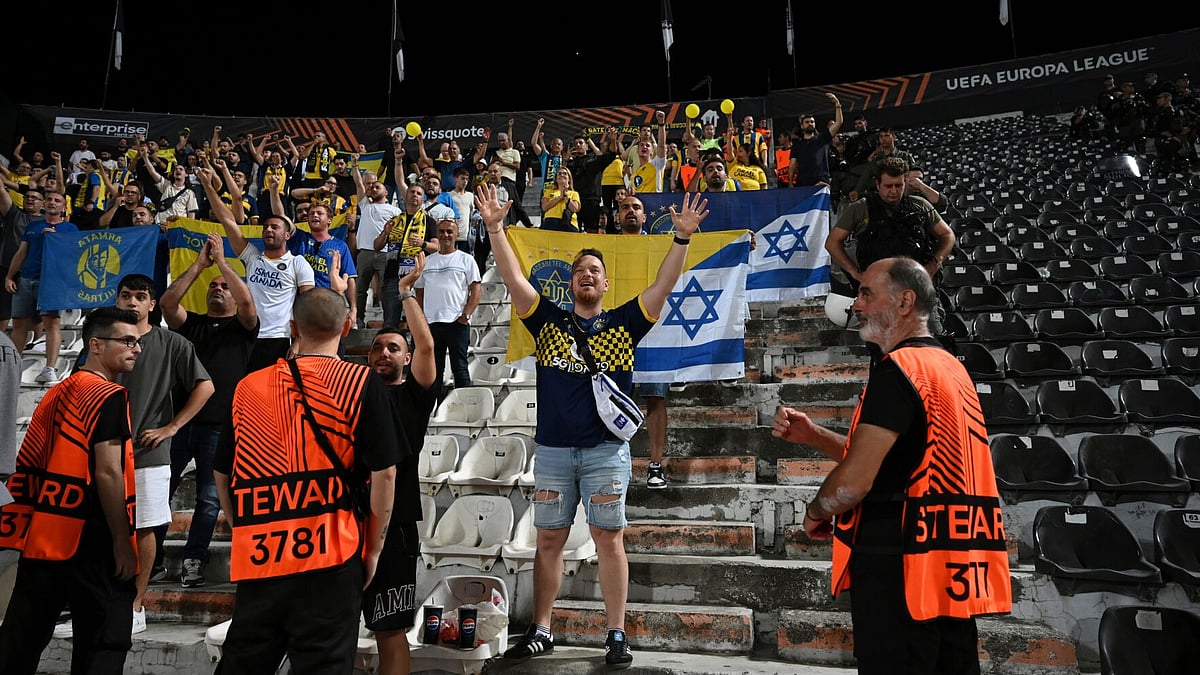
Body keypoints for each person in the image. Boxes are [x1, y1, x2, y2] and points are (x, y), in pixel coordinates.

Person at [477, 184, 709, 669]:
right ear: (571, 284)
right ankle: (541, 631)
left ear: (606, 285)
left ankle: (616, 635)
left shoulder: (624, 324)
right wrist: (495, 228)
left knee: (609, 539)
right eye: (580, 270)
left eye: (595, 271)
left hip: (606, 451)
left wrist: (682, 238)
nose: (587, 274)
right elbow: (513, 276)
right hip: (554, 451)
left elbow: (664, 286)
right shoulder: (547, 322)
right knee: (548, 541)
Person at [771, 257, 1011, 675]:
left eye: (867, 293)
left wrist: (815, 511)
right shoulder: (949, 366)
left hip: (899, 569)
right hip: (948, 569)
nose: (856, 305)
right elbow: (900, 461)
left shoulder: (897, 370)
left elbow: (854, 483)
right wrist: (814, 436)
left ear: (904, 302)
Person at [214, 287, 397, 673]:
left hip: (260, 554)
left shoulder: (248, 386)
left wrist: (241, 528)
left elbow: (222, 472)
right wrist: (373, 550)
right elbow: (385, 472)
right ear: (346, 327)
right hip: (331, 553)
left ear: (293, 327)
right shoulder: (360, 381)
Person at [0, 307, 141, 674]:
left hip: (45, 531)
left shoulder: (57, 391)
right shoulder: (108, 395)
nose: (136, 349)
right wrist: (121, 540)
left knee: (20, 639)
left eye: (137, 342)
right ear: (95, 345)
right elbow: (108, 471)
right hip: (90, 536)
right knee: (103, 642)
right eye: (127, 341)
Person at [111, 273, 213, 633]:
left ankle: (136, 606)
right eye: (126, 295)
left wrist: (172, 427)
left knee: (146, 527)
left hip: (148, 451)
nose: (132, 302)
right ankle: (101, 605)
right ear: (117, 300)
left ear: (152, 304)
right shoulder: (103, 340)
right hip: (104, 450)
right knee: (104, 529)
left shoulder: (171, 342)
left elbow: (206, 386)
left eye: (140, 297)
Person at [157, 231, 259, 588]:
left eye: (224, 286)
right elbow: (167, 304)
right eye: (213, 286)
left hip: (219, 427)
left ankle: (193, 560)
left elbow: (247, 302)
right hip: (178, 424)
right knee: (160, 493)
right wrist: (200, 266)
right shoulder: (193, 324)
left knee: (208, 499)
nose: (218, 288)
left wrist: (222, 263)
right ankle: (152, 561)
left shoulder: (244, 328)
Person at [361, 255, 438, 675]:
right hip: (347, 520)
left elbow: (427, 345)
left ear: (407, 359)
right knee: (332, 625)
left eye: (394, 348)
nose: (384, 353)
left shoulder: (414, 396)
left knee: (389, 630)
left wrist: (406, 292)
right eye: (377, 347)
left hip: (398, 524)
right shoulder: (353, 396)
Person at [825, 157, 954, 334]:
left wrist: (934, 264)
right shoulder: (860, 209)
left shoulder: (919, 205)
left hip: (917, 290)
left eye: (899, 185)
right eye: (888, 186)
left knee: (931, 341)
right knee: (883, 345)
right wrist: (855, 273)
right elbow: (832, 243)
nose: (894, 191)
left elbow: (947, 235)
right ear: (878, 184)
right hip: (879, 294)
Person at [213, 177, 315, 371]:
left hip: (279, 338)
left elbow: (309, 305)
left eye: (274, 227)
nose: (268, 229)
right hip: (246, 334)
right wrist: (208, 186)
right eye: (266, 227)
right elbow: (227, 221)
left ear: (287, 235)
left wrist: (300, 340)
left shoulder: (297, 263)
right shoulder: (252, 257)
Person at [616, 196, 670, 488]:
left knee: (655, 398)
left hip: (653, 332)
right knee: (612, 398)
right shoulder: (606, 248)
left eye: (636, 207)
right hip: (616, 333)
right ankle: (614, 464)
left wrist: (740, 243)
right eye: (625, 207)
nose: (631, 211)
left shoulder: (660, 246)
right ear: (617, 216)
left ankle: (656, 465)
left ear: (645, 216)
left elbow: (694, 254)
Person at [4, 190, 78, 383]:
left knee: (52, 323)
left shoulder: (70, 229)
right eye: (50, 199)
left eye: (57, 200)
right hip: (26, 278)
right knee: (19, 324)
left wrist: (57, 239)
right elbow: (21, 253)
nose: (52, 202)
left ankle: (50, 368)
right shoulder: (33, 226)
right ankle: (13, 367)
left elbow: (74, 257)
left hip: (52, 282)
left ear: (64, 207)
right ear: (44, 203)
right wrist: (10, 276)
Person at [415, 218, 481, 391]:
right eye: (442, 231)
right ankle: (432, 405)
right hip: (432, 323)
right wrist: (421, 319)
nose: (446, 235)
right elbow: (419, 292)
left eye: (450, 232)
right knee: (434, 370)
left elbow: (476, 290)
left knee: (460, 368)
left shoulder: (466, 259)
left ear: (457, 234)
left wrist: (465, 316)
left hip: (457, 322)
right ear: (437, 234)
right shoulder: (427, 261)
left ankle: (464, 403)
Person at [788, 93, 844, 188]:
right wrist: (790, 182)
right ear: (802, 126)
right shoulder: (797, 144)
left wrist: (837, 104)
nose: (810, 123)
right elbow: (792, 165)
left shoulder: (823, 138)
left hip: (822, 181)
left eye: (812, 122)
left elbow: (839, 122)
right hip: (803, 182)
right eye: (807, 122)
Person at [539, 167, 581, 232]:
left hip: (568, 223)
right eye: (559, 174)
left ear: (569, 179)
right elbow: (544, 207)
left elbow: (575, 208)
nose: (562, 175)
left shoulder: (574, 193)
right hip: (550, 222)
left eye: (565, 173)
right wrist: (559, 198)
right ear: (556, 179)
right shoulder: (549, 192)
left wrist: (566, 197)